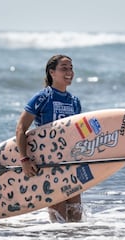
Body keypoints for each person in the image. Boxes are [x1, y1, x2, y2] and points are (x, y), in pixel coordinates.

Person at [15, 54, 82, 223]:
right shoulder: (43, 97)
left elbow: (77, 134)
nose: (69, 72)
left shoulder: (74, 101)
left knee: (76, 217)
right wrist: (24, 159)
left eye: (71, 68)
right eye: (64, 68)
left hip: (69, 162)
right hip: (49, 163)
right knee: (59, 218)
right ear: (52, 72)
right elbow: (21, 128)